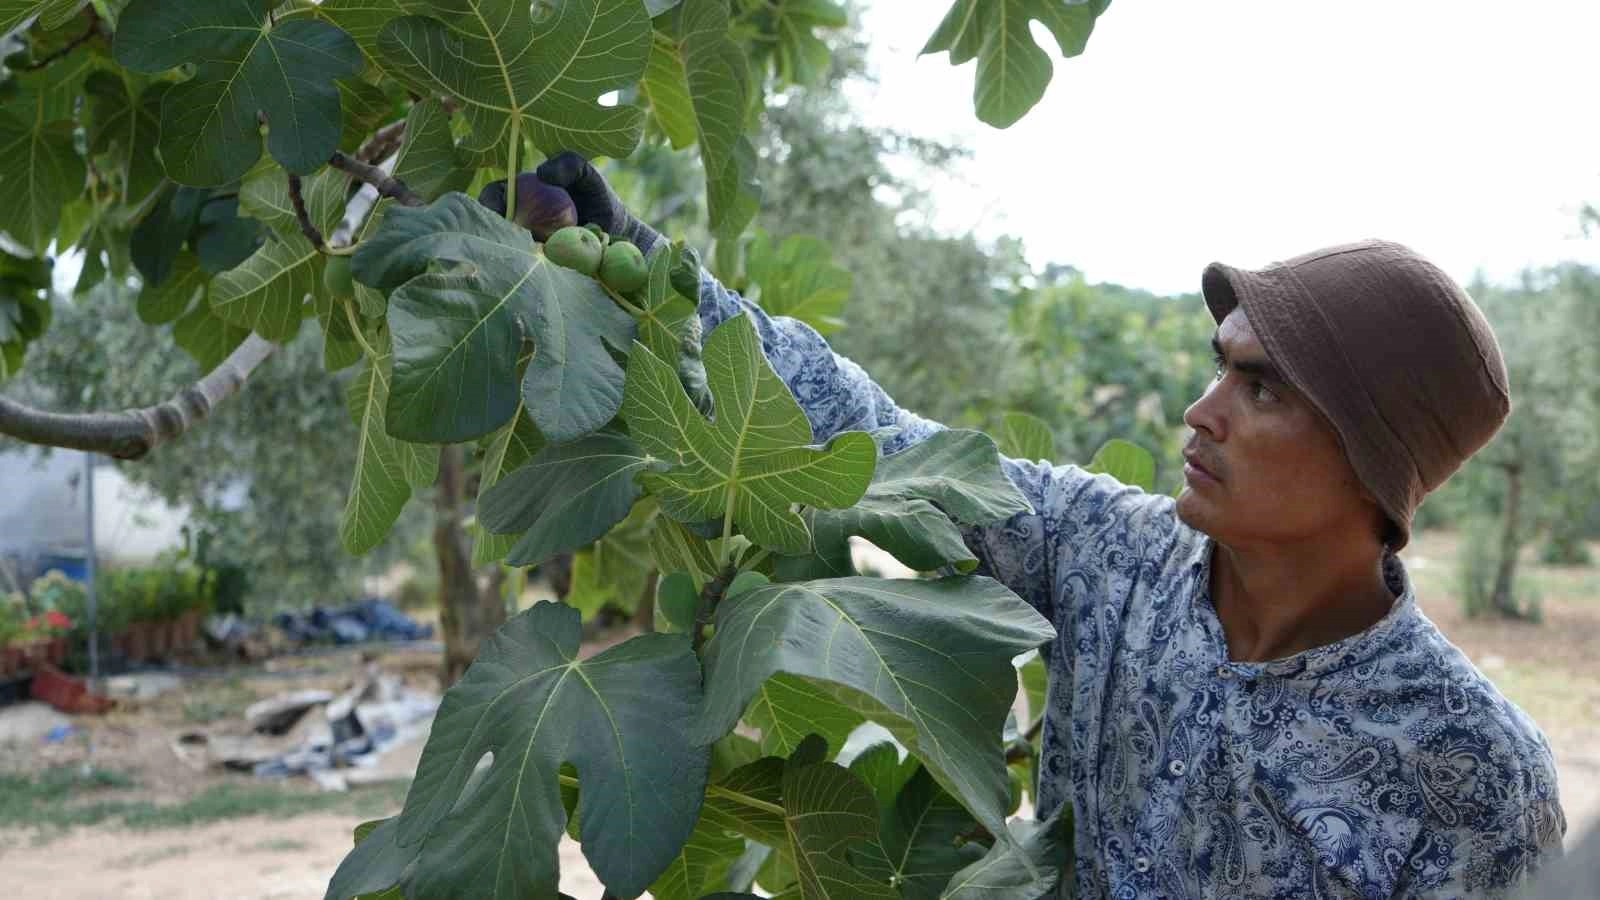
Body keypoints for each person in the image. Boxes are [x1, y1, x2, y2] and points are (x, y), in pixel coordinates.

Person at [521, 152, 1568, 898]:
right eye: (1219, 369)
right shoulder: (1109, 552)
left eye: (1261, 390)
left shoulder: (1473, 774)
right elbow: (883, 444)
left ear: (1370, 458)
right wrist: (648, 274)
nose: (1200, 412)